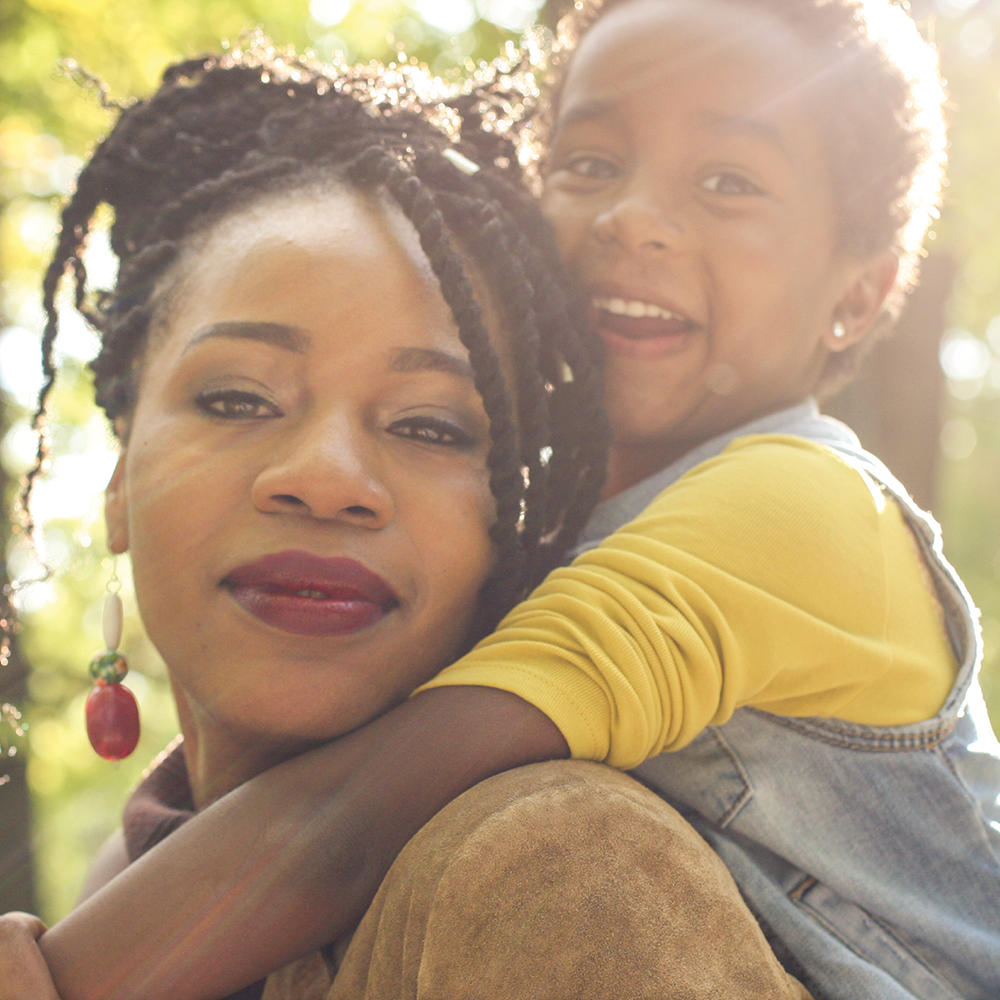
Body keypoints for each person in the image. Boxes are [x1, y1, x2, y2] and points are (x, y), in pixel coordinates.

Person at [10, 0, 1000, 996]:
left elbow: (340, 826)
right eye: (590, 164)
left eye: (727, 180)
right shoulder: (538, 559)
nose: (632, 219)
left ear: (859, 294)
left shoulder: (800, 503)